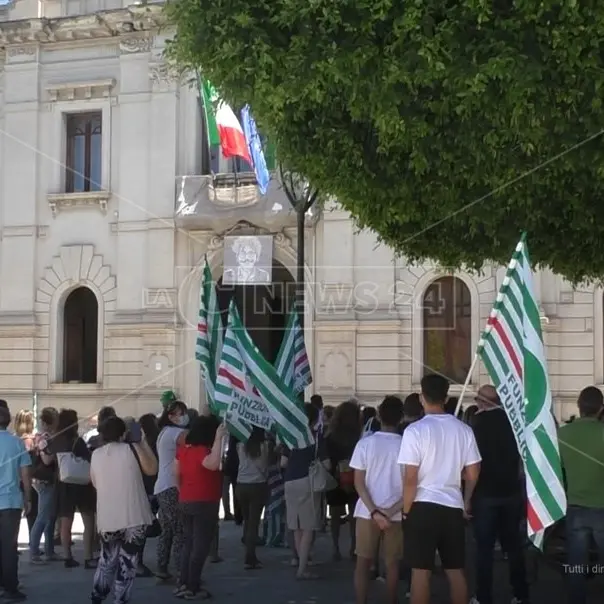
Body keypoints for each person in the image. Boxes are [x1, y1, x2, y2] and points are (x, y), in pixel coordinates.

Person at [398, 374, 481, 604]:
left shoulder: (414, 431)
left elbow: (410, 478)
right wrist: (466, 499)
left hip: (422, 506)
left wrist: (406, 510)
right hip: (452, 505)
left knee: (420, 572)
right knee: (455, 571)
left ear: (422, 397)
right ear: (446, 397)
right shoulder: (464, 430)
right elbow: (473, 473)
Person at [469, 385, 529, 604]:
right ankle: (520, 593)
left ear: (484, 402)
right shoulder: (514, 423)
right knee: (513, 547)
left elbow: (472, 464)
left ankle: (484, 596)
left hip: (485, 493)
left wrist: (467, 497)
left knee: (484, 550)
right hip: (510, 491)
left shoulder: (476, 425)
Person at [90, 416, 156, 604]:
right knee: (128, 563)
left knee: (107, 560)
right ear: (124, 433)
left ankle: (98, 595)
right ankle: (120, 600)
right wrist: (141, 441)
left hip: (108, 517)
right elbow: (152, 469)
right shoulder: (132, 449)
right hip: (134, 517)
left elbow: (95, 483)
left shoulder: (96, 454)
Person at [351, 396, 405, 604]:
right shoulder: (407, 444)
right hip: (396, 512)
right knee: (392, 563)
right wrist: (389, 512)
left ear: (379, 416)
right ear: (400, 418)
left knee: (363, 562)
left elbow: (359, 482)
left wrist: (375, 511)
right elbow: (412, 485)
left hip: (367, 511)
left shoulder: (365, 444)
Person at [558, 386, 604, 604]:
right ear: (601, 408)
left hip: (575, 505)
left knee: (576, 564)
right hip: (602, 507)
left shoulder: (562, 434)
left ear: (579, 405)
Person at [175, 416, 226, 599]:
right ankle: (192, 586)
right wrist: (219, 438)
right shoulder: (203, 451)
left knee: (188, 543)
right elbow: (212, 465)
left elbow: (176, 474)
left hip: (186, 500)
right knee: (201, 546)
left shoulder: (183, 451)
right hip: (204, 501)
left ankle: (183, 582)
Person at [282, 403, 329, 579]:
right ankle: (302, 568)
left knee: (296, 525)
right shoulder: (317, 437)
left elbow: (283, 463)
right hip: (308, 482)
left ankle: (298, 560)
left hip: (290, 481)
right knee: (308, 526)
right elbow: (327, 463)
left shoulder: (290, 436)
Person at [47, 408, 97, 568]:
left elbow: (49, 461)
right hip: (82, 484)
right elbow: (89, 459)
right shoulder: (77, 441)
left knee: (65, 521)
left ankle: (67, 556)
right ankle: (88, 556)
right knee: (88, 520)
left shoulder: (55, 441)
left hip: (63, 484)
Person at [154, 400, 189, 581]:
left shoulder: (164, 433)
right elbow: (191, 441)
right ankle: (181, 572)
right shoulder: (176, 433)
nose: (183, 416)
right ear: (170, 416)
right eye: (179, 413)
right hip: (171, 487)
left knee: (167, 530)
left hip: (162, 486)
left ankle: (162, 567)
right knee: (179, 530)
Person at [0, 405, 31, 601]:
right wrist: (28, 497)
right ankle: (10, 587)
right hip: (11, 501)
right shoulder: (16, 443)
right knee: (9, 547)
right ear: (9, 421)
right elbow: (25, 473)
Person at [325, 400, 362, 560]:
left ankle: (335, 547)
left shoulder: (330, 436)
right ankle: (354, 547)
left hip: (335, 477)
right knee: (354, 514)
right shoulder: (358, 437)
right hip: (354, 476)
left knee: (334, 515)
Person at [29, 407, 59, 564]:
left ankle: (49, 550)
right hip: (44, 481)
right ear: (51, 422)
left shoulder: (40, 436)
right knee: (42, 517)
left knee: (50, 516)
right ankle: (34, 551)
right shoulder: (45, 438)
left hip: (44, 480)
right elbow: (47, 460)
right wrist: (56, 453)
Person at [236, 427, 269, 569]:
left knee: (247, 519)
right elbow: (264, 465)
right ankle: (250, 556)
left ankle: (247, 549)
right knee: (254, 523)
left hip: (241, 484)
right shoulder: (264, 447)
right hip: (257, 485)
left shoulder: (240, 445)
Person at [13, 410, 38, 538]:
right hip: (31, 481)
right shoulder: (31, 441)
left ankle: (13, 545)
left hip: (15, 480)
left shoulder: (14, 440)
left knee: (15, 516)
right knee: (32, 513)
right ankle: (33, 544)